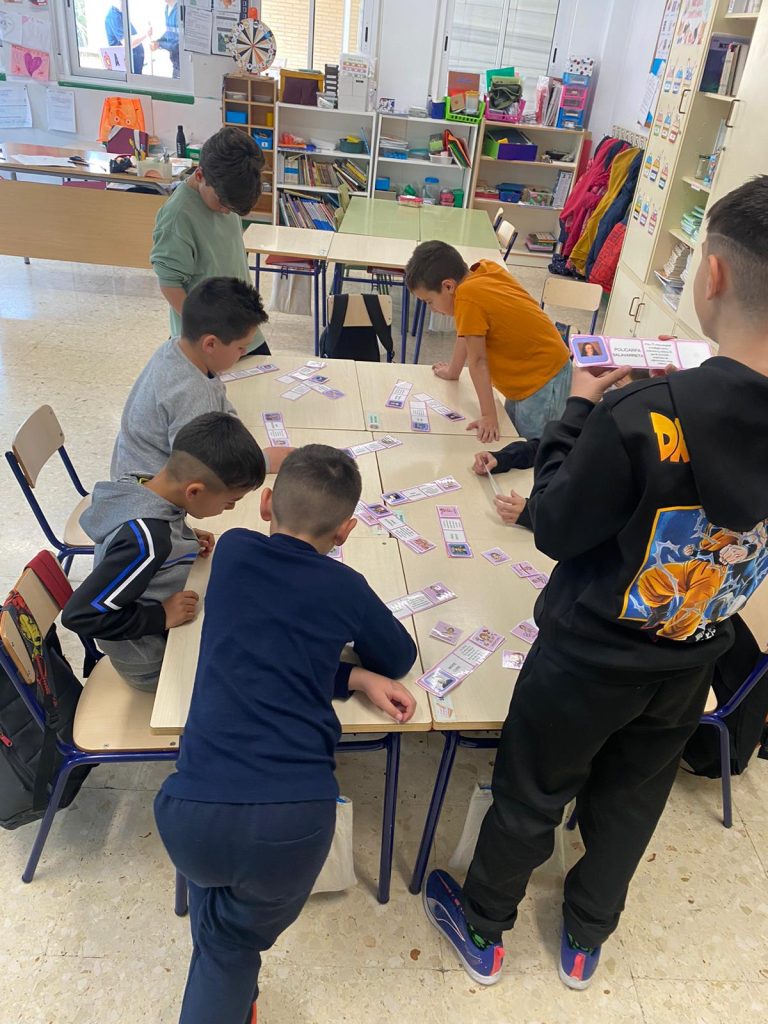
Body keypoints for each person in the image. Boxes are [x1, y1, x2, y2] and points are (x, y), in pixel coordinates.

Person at [422, 176, 768, 990]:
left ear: (714, 273)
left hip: (587, 659)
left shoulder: (642, 410)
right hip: (691, 655)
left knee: (533, 790)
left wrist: (577, 408)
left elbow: (554, 524)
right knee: (632, 801)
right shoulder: (664, 406)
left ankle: (484, 927)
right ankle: (585, 938)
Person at [153, 444, 418, 1024]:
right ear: (346, 531)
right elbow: (399, 655)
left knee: (219, 934)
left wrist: (351, 678)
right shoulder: (345, 586)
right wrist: (357, 670)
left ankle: (233, 998)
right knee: (229, 948)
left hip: (190, 811)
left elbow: (267, 645)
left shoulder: (234, 551)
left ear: (265, 503)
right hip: (291, 824)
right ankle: (228, 999)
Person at [63, 413, 265, 691]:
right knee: (258, 661)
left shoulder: (141, 484)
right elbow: (80, 615)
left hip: (162, 631)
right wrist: (161, 616)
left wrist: (183, 537)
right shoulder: (146, 543)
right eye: (230, 502)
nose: (229, 509)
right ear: (194, 491)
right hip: (152, 664)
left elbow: (159, 525)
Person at [110, 278, 289, 482]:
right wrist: (262, 462)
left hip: (134, 465)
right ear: (210, 344)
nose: (244, 352)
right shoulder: (192, 393)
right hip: (147, 487)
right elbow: (200, 471)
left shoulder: (177, 347)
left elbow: (221, 406)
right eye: (240, 347)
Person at [404, 241, 572, 442]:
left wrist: (488, 416)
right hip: (534, 370)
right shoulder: (483, 270)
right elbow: (467, 334)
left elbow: (478, 361)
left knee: (533, 446)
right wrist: (453, 371)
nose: (431, 309)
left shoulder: (467, 297)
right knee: (512, 435)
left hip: (544, 378)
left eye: (429, 301)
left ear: (448, 286)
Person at [151, 127, 270, 356]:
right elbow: (169, 284)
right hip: (210, 342)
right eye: (222, 204)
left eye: (232, 208)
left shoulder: (227, 191)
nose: (226, 211)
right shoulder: (177, 216)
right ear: (200, 175)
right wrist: (206, 331)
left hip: (242, 330)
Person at [104, 5, 152, 74]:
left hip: (134, 67)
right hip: (127, 70)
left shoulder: (122, 14)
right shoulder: (114, 17)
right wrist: (145, 34)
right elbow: (127, 43)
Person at [152, 0, 180, 77]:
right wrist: (158, 42)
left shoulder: (181, 8)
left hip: (185, 63)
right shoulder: (167, 8)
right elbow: (170, 33)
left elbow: (179, 44)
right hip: (176, 62)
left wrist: (160, 44)